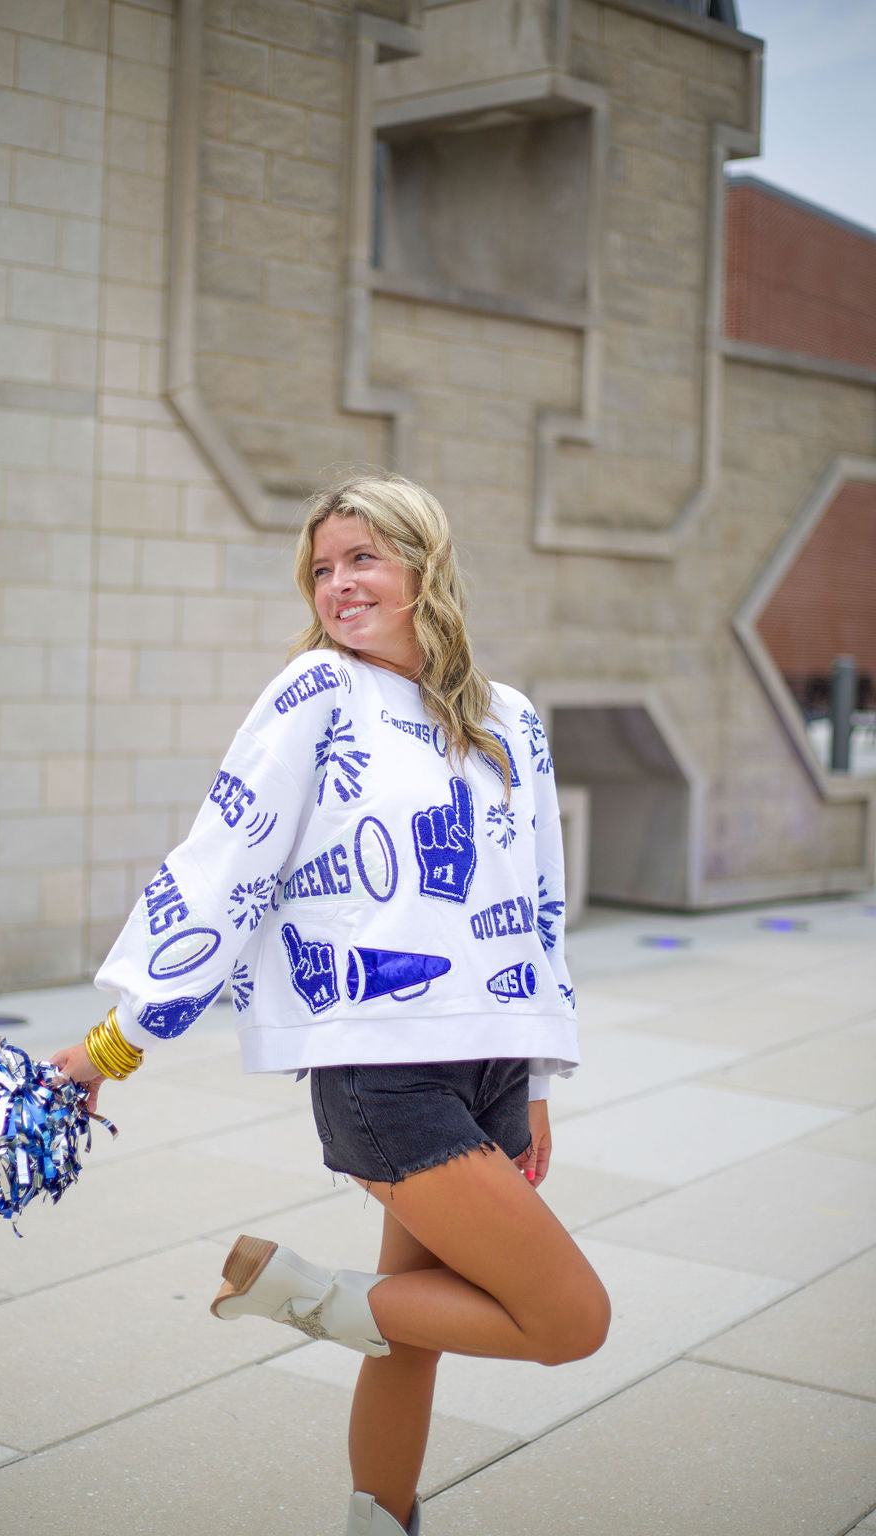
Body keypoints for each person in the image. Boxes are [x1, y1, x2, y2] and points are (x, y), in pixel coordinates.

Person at [52, 474, 610, 1536]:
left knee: (413, 1338)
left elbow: (538, 901)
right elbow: (225, 864)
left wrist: (538, 1079)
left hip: (492, 1056)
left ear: (422, 566)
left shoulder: (511, 721)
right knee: (567, 1320)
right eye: (321, 567)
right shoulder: (314, 695)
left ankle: (379, 1521)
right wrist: (111, 1044)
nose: (339, 584)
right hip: (381, 1073)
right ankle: (296, 1291)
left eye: (363, 558)